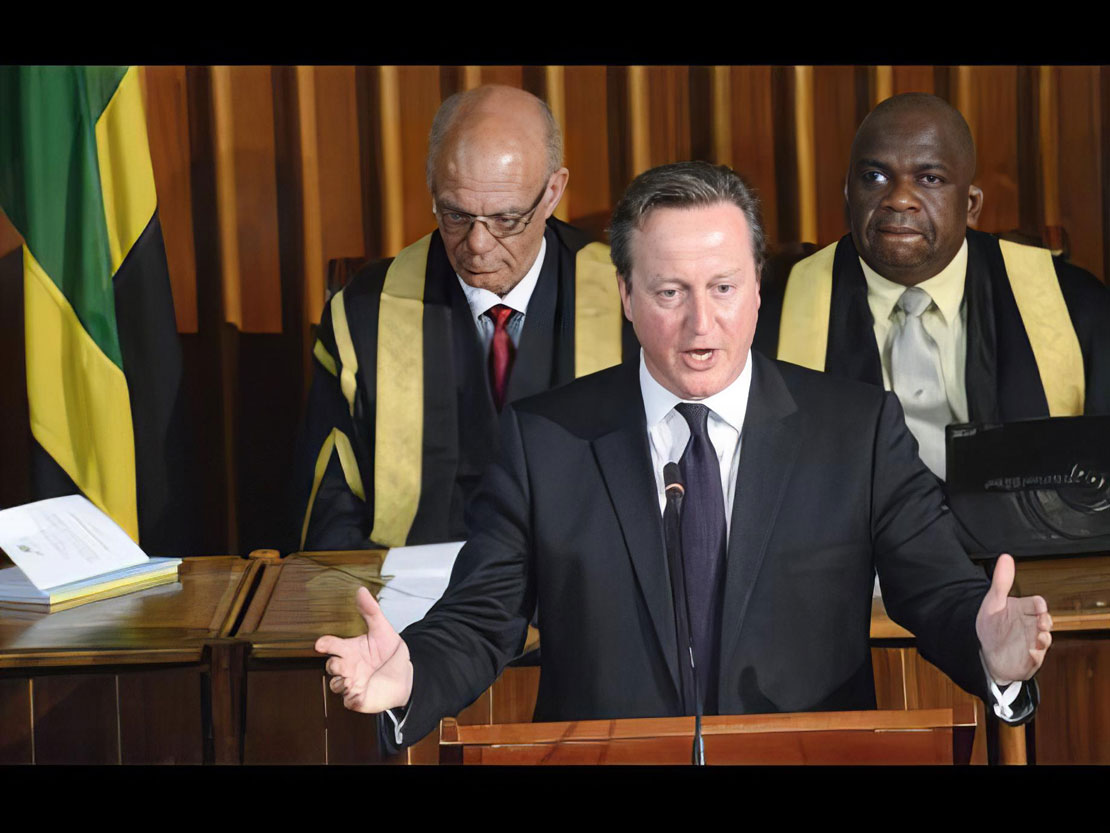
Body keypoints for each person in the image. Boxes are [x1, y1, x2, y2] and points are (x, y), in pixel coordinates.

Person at [316, 162, 1052, 749]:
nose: (703, 323)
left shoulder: (854, 431)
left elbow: (939, 594)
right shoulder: (546, 440)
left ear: (758, 288)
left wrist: (991, 652)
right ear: (627, 294)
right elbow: (481, 619)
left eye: (724, 287)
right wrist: (412, 673)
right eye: (670, 291)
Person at [293, 85, 633, 552]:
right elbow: (332, 511)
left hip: (581, 602)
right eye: (455, 214)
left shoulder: (630, 303)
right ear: (433, 187)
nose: (477, 244)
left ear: (553, 192)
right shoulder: (364, 313)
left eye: (506, 219)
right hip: (414, 604)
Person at [754, 92, 1110, 480]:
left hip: (1017, 536)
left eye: (930, 179)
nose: (899, 199)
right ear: (848, 197)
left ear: (971, 205)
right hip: (853, 540)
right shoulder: (770, 313)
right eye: (874, 177)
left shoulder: (1076, 308)